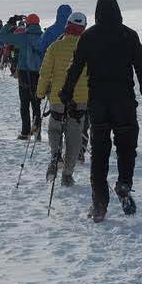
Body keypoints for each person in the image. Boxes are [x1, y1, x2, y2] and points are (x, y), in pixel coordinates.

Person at [61, 0, 142, 221]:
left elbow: (76, 67)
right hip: (124, 102)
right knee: (126, 147)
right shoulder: (129, 35)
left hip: (98, 104)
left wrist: (66, 91)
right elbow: (141, 63)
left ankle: (99, 204)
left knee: (100, 153)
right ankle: (124, 183)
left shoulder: (89, 37)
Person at [37, 10, 90, 185]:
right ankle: (67, 175)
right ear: (83, 28)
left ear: (67, 25)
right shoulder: (88, 47)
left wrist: (40, 92)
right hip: (80, 100)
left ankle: (55, 155)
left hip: (58, 98)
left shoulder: (55, 47)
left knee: (55, 128)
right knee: (74, 137)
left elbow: (45, 73)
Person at [11, 13, 47, 139]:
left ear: (28, 23)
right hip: (38, 73)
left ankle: (25, 132)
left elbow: (2, 37)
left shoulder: (22, 36)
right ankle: (37, 132)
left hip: (24, 74)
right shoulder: (43, 36)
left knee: (24, 104)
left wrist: (12, 21)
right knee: (36, 104)